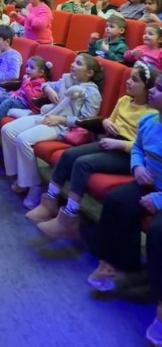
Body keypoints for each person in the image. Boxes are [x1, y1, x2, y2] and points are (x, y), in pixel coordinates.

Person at [28, 62, 156, 238]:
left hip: (129, 153)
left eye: (134, 80)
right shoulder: (124, 100)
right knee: (68, 155)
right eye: (129, 78)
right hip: (111, 141)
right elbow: (110, 120)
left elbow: (143, 146)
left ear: (147, 87)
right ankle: (49, 202)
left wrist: (119, 144)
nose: (128, 82)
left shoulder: (150, 113)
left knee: (83, 164)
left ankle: (68, 217)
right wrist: (107, 122)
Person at [86, 73, 162, 347]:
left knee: (159, 231)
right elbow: (138, 148)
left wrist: (159, 199)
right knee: (117, 201)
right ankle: (115, 263)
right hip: (149, 180)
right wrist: (137, 167)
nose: (152, 91)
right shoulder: (150, 120)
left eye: (159, 89)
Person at [1, 53, 103, 208]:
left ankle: (34, 186)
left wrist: (61, 120)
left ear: (89, 73)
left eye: (78, 63)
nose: (73, 65)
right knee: (8, 130)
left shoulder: (92, 92)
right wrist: (48, 89)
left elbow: (85, 120)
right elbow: (46, 84)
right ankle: (21, 177)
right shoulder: (67, 79)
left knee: (23, 140)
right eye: (74, 61)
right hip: (48, 116)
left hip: (64, 126)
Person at [0, 55, 50, 132]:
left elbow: (32, 97)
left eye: (32, 68)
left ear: (41, 73)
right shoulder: (29, 79)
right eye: (27, 66)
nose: (27, 69)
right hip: (20, 100)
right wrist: (15, 93)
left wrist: (26, 82)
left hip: (27, 104)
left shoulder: (41, 84)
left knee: (8, 102)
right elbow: (21, 89)